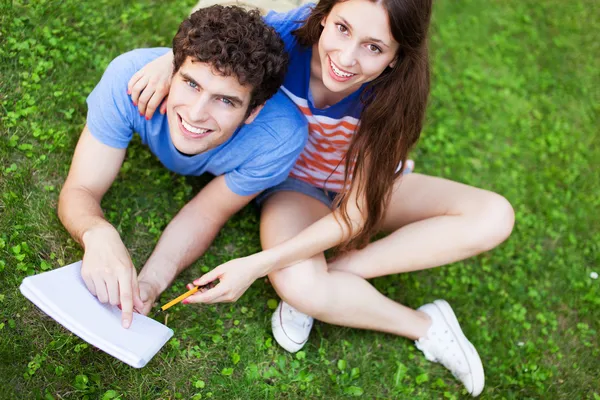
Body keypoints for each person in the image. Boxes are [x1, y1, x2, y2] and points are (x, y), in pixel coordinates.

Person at [128, 0, 515, 396]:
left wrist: (257, 266)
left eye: (375, 47)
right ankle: (424, 325)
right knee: (302, 285)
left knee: (494, 216)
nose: (346, 58)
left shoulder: (398, 93)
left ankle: (338, 274)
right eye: (343, 28)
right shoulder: (284, 36)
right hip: (297, 189)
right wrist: (168, 61)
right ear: (323, 14)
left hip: (365, 188)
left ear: (397, 57)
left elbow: (356, 213)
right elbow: (213, 23)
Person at [57, 5, 308, 331]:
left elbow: (207, 213)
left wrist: (149, 284)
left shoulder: (279, 138)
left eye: (225, 101)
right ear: (171, 71)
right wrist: (96, 232)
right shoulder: (129, 79)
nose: (196, 113)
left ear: (252, 112)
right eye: (191, 84)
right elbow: (80, 189)